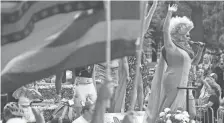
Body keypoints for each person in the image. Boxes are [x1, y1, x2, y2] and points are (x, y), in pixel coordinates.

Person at [145, 4, 205, 123]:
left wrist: (200, 51)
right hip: (173, 80)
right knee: (170, 111)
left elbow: (193, 63)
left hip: (186, 83)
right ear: (178, 35)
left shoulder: (186, 51)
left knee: (191, 113)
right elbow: (165, 31)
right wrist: (169, 13)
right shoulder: (170, 46)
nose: (188, 37)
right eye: (186, 35)